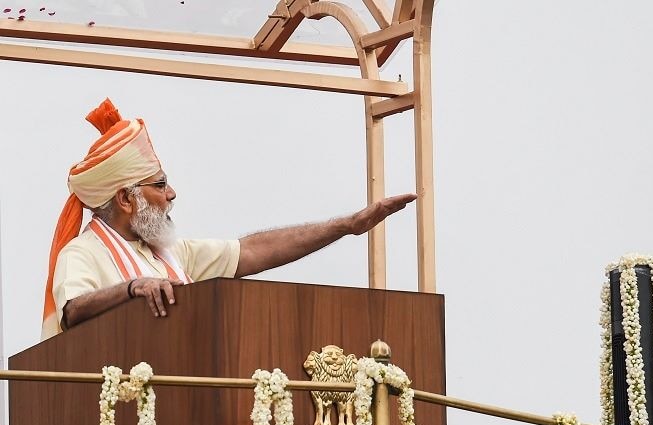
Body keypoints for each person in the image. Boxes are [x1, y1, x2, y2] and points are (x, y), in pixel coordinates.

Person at [42, 98, 416, 340]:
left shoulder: (170, 255)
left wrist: (347, 226)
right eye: (160, 185)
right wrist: (133, 288)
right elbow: (73, 311)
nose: (171, 195)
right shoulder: (82, 254)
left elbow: (252, 251)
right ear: (125, 198)